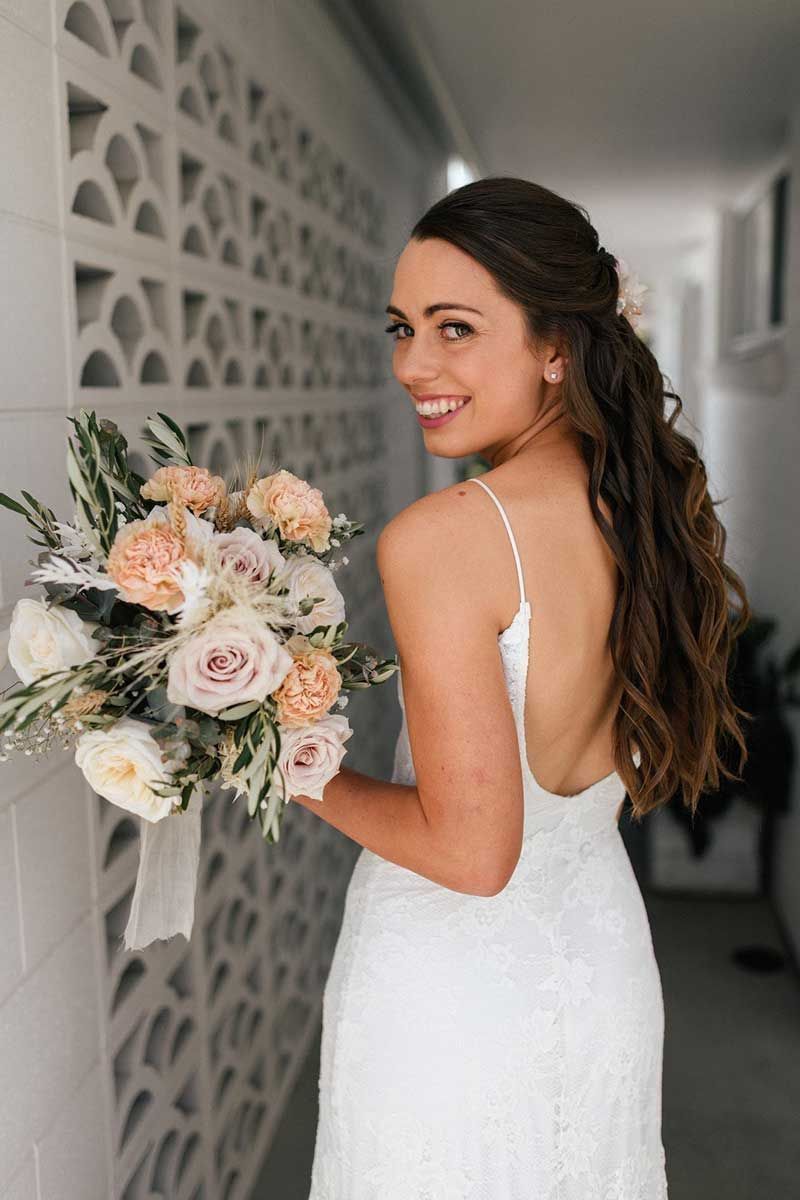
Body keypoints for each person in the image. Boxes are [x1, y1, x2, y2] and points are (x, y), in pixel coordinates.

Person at [291, 176, 752, 1198]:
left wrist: (281, 758)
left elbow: (470, 852)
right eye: (401, 327)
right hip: (601, 964)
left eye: (455, 328)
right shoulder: (634, 507)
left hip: (452, 1003)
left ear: (555, 347)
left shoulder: (446, 539)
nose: (414, 364)